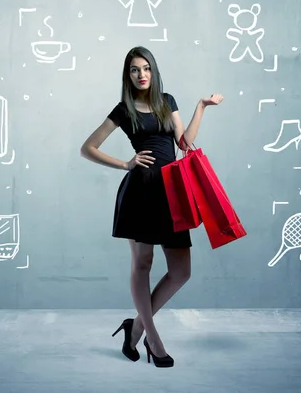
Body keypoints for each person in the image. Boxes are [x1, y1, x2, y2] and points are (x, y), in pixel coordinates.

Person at [79, 46, 223, 367]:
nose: (141, 75)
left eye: (145, 68)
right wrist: (126, 164)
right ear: (127, 75)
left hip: (172, 191)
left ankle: (137, 327)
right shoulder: (123, 109)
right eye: (134, 70)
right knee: (142, 262)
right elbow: (87, 148)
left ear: (153, 71)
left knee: (180, 271)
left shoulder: (166, 101)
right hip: (141, 191)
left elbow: (184, 143)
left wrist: (201, 106)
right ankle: (153, 340)